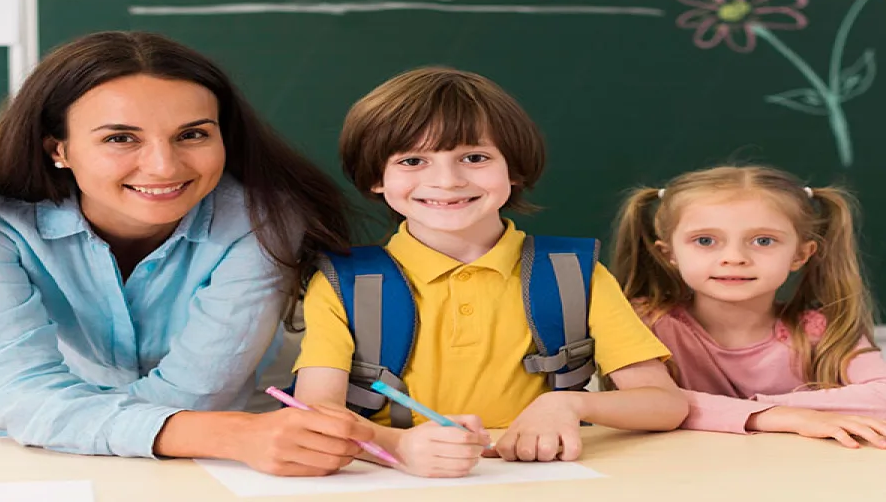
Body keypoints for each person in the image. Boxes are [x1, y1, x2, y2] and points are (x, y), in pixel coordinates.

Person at [0, 31, 373, 476]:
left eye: (193, 134)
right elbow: (17, 387)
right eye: (121, 138)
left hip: (249, 450)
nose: (163, 166)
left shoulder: (263, 217)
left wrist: (12, 419)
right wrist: (17, 411)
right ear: (58, 149)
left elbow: (197, 399)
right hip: (216, 441)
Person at [292, 67, 687, 478]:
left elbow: (664, 403)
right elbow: (316, 417)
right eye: (412, 160)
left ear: (513, 170)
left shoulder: (572, 273)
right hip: (391, 478)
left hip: (544, 478)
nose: (446, 181)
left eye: (474, 157)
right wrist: (398, 447)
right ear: (377, 177)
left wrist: (567, 404)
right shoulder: (347, 283)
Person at [610, 164, 886, 449]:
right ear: (669, 254)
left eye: (763, 241)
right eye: (705, 241)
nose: (734, 257)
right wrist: (779, 417)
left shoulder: (819, 329)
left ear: (801, 255)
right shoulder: (644, 324)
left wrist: (768, 409)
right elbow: (641, 405)